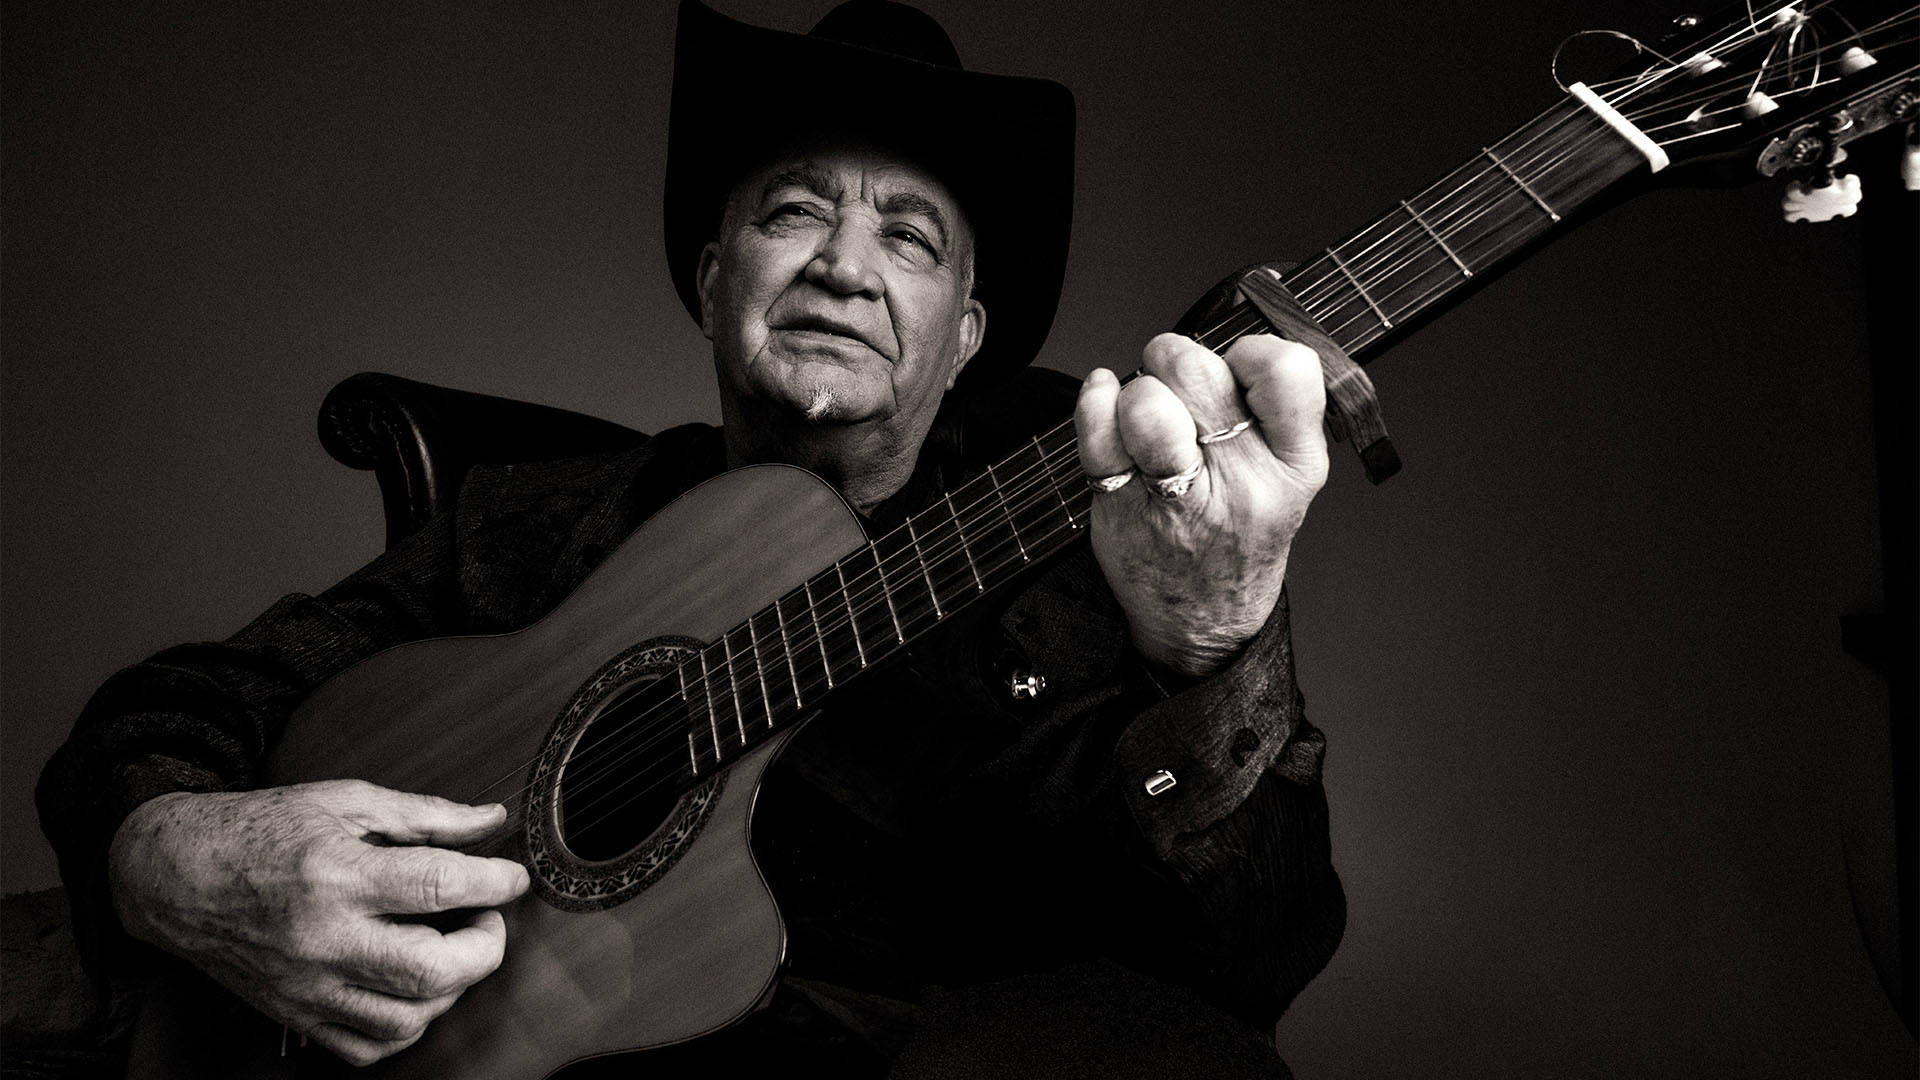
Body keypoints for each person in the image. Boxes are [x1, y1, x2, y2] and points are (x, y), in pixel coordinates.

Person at [38, 1, 1345, 1075]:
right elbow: (197, 699)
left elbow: (1246, 969)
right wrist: (168, 853)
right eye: (793, 212)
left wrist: (1213, 644)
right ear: (717, 283)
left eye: (911, 238)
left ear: (966, 338)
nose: (843, 264)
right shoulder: (528, 517)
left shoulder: (1098, 529)